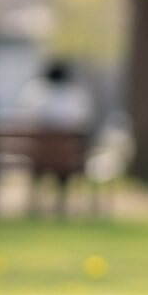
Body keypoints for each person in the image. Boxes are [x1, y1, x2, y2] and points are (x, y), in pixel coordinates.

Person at [19, 61, 95, 215]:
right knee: (65, 157)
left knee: (42, 159)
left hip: (39, 155)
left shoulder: (35, 93)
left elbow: (27, 120)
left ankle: (35, 202)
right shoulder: (76, 96)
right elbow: (83, 121)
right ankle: (61, 202)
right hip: (66, 157)